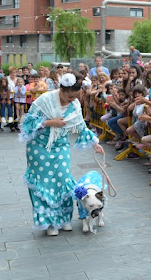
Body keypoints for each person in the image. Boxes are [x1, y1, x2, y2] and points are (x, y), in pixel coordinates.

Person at [19, 71, 104, 236]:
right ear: (61, 90)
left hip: (60, 145)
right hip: (39, 146)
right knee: (44, 183)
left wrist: (95, 143)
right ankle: (49, 223)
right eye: (70, 97)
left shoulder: (75, 105)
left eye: (76, 97)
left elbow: (80, 126)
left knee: (63, 179)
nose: (72, 100)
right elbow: (28, 124)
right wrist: (51, 122)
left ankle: (64, 219)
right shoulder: (45, 100)